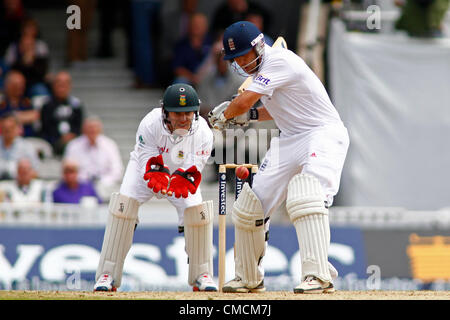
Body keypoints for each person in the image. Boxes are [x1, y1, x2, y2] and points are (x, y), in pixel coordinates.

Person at [208, 21, 349, 294]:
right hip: (289, 137)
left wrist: (223, 115)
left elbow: (245, 101)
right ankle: (248, 277)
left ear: (258, 47)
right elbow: (276, 108)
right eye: (234, 59)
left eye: (242, 56)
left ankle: (318, 275)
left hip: (322, 133)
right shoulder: (266, 72)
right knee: (251, 208)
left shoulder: (279, 61)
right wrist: (246, 116)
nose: (239, 63)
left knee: (306, 196)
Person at [93, 83, 215, 292]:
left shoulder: (203, 131)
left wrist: (181, 178)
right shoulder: (150, 123)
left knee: (197, 213)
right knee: (123, 207)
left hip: (181, 174)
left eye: (188, 113)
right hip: (146, 172)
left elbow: (195, 167)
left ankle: (201, 275)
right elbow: (145, 159)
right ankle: (107, 275)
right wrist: (155, 174)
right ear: (165, 112)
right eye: (178, 114)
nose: (184, 119)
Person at [63, 116, 124, 201]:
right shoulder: (73, 146)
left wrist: (104, 181)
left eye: (95, 128)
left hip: (105, 187)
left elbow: (117, 170)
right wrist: (84, 183)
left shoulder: (110, 145)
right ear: (83, 130)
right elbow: (68, 169)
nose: (92, 131)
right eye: (89, 128)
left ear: (100, 130)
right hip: (79, 187)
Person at [39, 71, 84, 156]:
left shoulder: (76, 105)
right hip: (52, 142)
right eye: (59, 84)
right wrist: (60, 138)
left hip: (73, 142)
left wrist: (72, 135)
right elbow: (45, 127)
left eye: (64, 84)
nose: (61, 88)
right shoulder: (47, 105)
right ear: (54, 86)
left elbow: (79, 126)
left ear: (69, 86)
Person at [4, 19, 50, 97]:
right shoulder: (14, 47)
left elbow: (42, 72)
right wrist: (23, 62)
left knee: (40, 90)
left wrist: (32, 63)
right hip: (16, 81)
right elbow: (10, 70)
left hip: (34, 83)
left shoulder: (41, 47)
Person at [172, 13, 212, 86]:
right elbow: (177, 68)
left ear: (206, 27)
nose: (196, 26)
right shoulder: (181, 45)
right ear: (188, 26)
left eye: (200, 24)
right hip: (189, 79)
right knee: (180, 82)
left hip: (209, 79)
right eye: (194, 23)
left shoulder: (213, 43)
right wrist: (193, 78)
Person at [0, 70, 39, 137]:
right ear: (7, 85)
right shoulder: (2, 103)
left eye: (22, 84)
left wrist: (10, 118)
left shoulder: (26, 102)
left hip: (28, 140)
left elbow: (35, 115)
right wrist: (20, 117)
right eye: (16, 85)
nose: (20, 87)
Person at [0, 112, 39, 179]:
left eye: (11, 127)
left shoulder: (27, 147)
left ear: (17, 128)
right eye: (4, 128)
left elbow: (35, 172)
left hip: (18, 184)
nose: (8, 130)